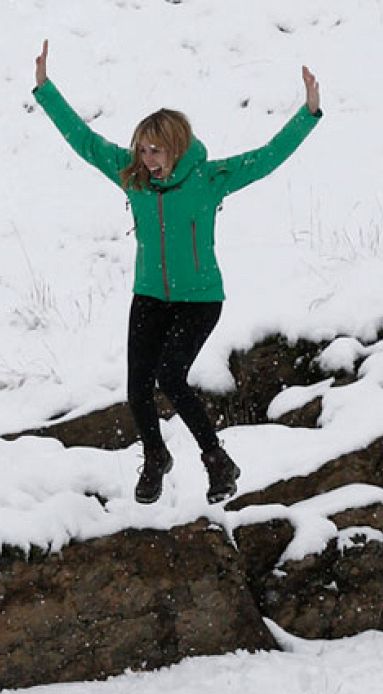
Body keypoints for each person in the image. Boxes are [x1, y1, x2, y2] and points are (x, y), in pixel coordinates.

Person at [32, 40, 322, 504]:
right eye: (142, 149)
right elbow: (85, 142)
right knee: (136, 387)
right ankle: (155, 457)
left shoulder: (209, 179)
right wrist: (45, 89)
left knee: (171, 376)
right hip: (149, 295)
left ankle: (217, 461)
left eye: (156, 150)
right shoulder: (133, 178)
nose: (148, 158)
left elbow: (266, 158)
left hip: (200, 299)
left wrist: (308, 113)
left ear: (176, 147)